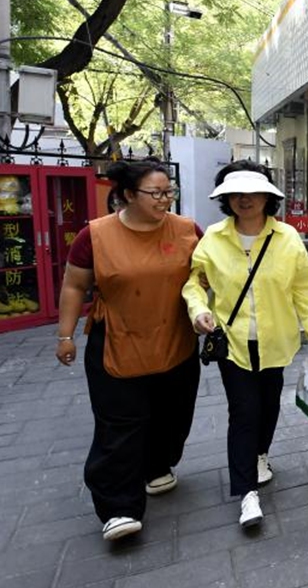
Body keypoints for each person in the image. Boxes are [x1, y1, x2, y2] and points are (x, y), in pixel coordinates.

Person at [55, 158, 202, 542]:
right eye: (156, 193)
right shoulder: (96, 236)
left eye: (169, 191)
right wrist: (65, 335)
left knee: (173, 417)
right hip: (117, 342)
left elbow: (207, 277)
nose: (165, 199)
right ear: (126, 195)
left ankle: (156, 466)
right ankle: (118, 506)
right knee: (120, 425)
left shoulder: (187, 230)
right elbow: (73, 286)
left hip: (175, 340)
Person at [183, 160, 308, 529]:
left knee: (268, 406)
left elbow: (304, 290)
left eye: (252, 192)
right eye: (236, 193)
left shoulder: (288, 239)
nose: (243, 199)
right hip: (232, 344)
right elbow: (195, 283)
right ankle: (246, 494)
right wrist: (199, 310)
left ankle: (261, 454)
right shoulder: (213, 239)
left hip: (276, 342)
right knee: (243, 412)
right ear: (226, 198)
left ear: (268, 197)